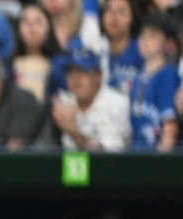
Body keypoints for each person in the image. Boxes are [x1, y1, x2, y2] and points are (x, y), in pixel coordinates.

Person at [51, 47, 132, 150]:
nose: (75, 78)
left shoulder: (116, 104)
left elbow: (110, 157)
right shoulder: (64, 101)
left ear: (98, 76)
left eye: (83, 71)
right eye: (70, 72)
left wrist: (74, 133)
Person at [128, 12, 180, 151]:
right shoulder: (138, 76)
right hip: (137, 152)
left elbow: (170, 128)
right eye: (142, 35)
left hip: (157, 156)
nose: (144, 40)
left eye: (153, 36)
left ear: (169, 44)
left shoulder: (168, 76)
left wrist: (158, 165)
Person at [12, 3, 63, 103]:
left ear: (49, 28)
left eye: (38, 22)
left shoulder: (60, 64)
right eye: (26, 21)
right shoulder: (9, 64)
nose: (31, 27)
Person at [99, 0, 142, 97]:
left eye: (121, 12)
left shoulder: (142, 50)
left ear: (132, 18)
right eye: (109, 10)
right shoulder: (94, 49)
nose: (114, 17)